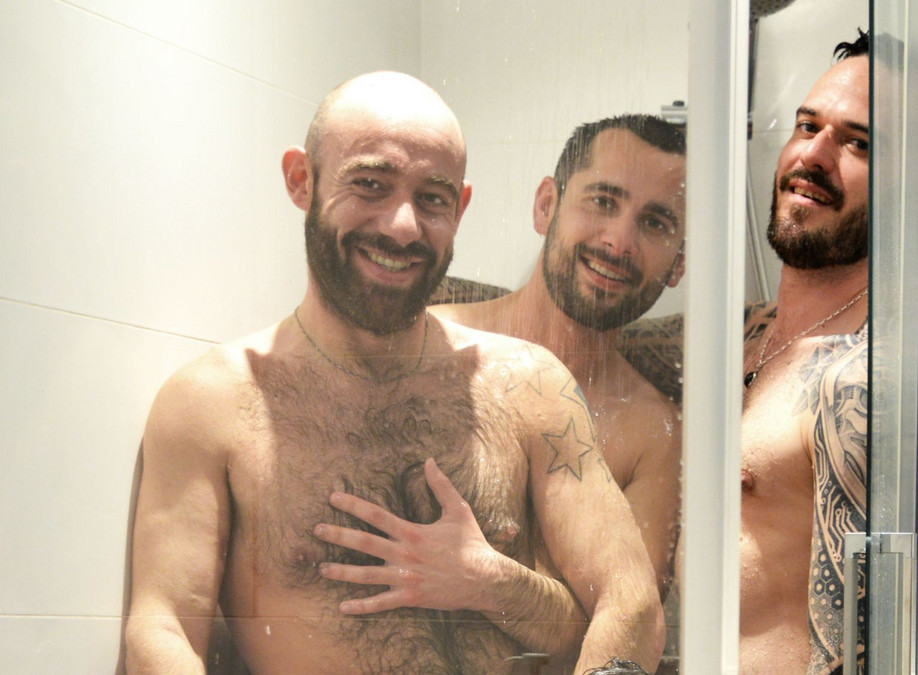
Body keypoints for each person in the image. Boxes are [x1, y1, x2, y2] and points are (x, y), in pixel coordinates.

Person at [124, 71, 663, 674]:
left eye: (432, 198)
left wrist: (494, 582)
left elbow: (632, 606)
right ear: (302, 180)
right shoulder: (211, 403)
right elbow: (162, 629)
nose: (402, 225)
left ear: (460, 208)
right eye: (371, 185)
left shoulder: (533, 387)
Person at [432, 115, 685, 599]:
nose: (619, 242)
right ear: (546, 206)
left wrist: (494, 583)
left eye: (654, 223)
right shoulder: (431, 342)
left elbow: (629, 623)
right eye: (603, 201)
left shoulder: (652, 435)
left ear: (679, 265)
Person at [739, 32, 871, 674]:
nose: (813, 155)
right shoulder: (732, 334)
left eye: (858, 143)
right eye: (807, 126)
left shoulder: (862, 377)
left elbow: (851, 650)